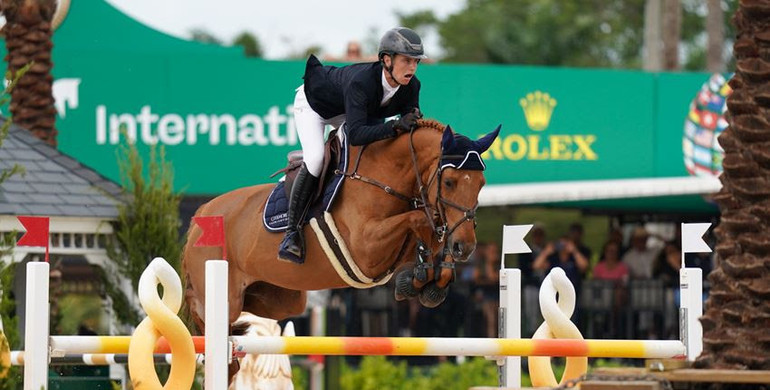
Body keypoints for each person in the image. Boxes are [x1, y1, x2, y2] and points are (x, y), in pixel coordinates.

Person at [279, 27, 427, 263]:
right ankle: (291, 233)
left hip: (349, 110)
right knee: (316, 158)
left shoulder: (412, 85)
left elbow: (409, 119)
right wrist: (395, 125)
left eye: (416, 62)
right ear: (387, 60)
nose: (412, 68)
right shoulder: (362, 82)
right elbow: (358, 134)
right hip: (315, 106)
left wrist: (410, 121)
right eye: (406, 60)